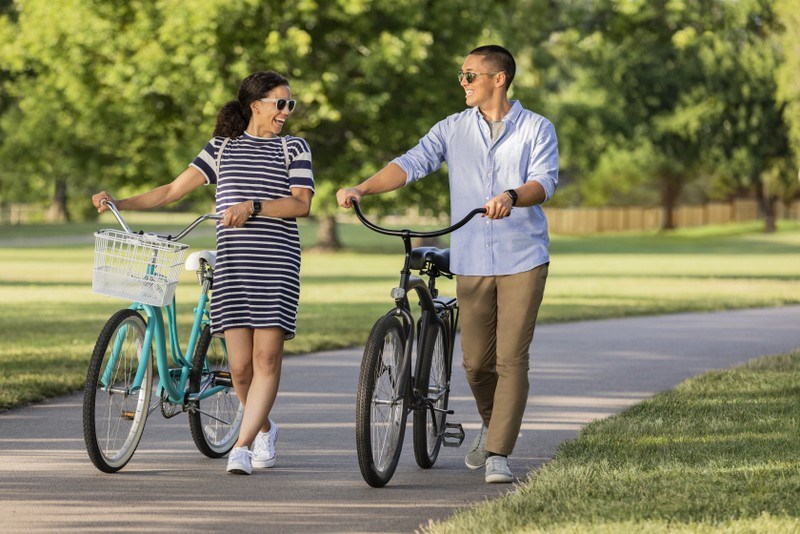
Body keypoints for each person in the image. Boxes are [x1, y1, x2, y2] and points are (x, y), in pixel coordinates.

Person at [336, 45, 558, 484]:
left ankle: (498, 452)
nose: (463, 82)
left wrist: (511, 196)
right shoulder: (451, 129)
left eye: (470, 75)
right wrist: (362, 188)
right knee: (476, 363)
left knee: (511, 359)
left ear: (499, 79)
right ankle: (494, 426)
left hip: (522, 256)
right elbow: (410, 164)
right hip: (473, 258)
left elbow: (544, 182)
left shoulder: (536, 128)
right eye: (462, 75)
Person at [92, 70, 315, 475]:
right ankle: (264, 428)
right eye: (280, 103)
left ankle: (241, 448)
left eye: (290, 104)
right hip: (234, 266)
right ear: (256, 105)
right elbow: (172, 191)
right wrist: (117, 200)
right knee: (241, 370)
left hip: (276, 264)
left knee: (266, 361)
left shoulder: (294, 148)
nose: (286, 111)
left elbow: (301, 204)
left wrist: (254, 205)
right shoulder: (222, 148)